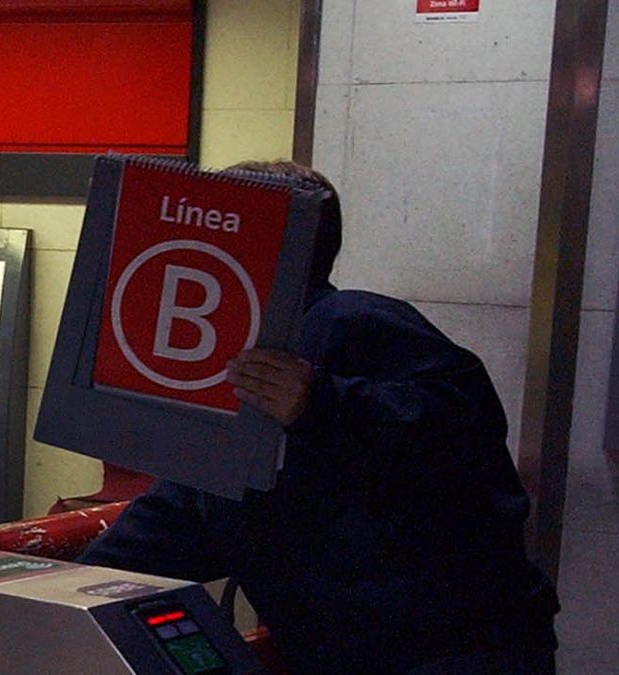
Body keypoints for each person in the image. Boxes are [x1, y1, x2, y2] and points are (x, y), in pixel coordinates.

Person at [77, 160, 559, 674]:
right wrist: (56, 583)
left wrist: (319, 402)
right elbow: (184, 514)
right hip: (373, 649)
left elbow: (457, 430)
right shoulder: (239, 363)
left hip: (449, 649)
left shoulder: (349, 321)